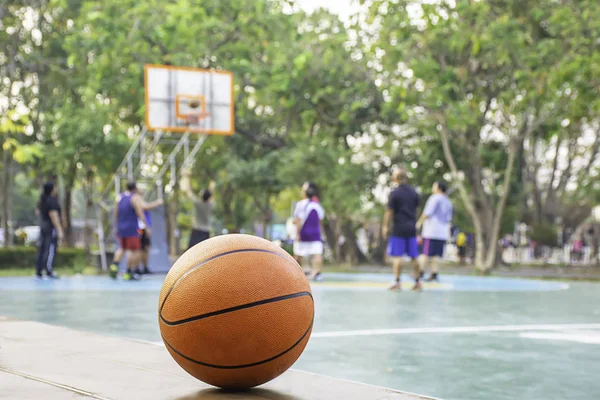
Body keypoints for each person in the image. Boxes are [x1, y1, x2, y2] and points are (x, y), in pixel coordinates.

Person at [382, 167, 421, 291]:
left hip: (399, 228)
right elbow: (417, 210)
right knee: (414, 257)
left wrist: (385, 226)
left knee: (398, 257)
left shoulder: (394, 193)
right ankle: (417, 282)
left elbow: (389, 212)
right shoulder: (414, 193)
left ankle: (397, 282)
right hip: (411, 228)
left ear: (395, 179)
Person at [109, 181, 152, 281]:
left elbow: (115, 213)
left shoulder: (119, 197)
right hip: (132, 227)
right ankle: (128, 272)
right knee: (135, 250)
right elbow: (139, 212)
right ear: (135, 188)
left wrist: (116, 226)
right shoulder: (134, 198)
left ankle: (114, 265)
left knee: (122, 248)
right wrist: (146, 225)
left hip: (121, 227)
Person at [417, 181, 453, 282]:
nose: (433, 187)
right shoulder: (448, 202)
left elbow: (427, 213)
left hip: (431, 231)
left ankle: (420, 272)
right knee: (435, 255)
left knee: (425, 253)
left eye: (434, 186)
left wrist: (419, 223)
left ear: (439, 188)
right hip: (442, 232)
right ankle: (434, 273)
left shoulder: (434, 198)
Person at [293, 182, 325, 281]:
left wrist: (297, 234)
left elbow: (298, 220)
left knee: (298, 254)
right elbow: (320, 220)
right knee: (317, 254)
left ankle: (296, 273)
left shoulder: (300, 204)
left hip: (303, 234)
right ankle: (317, 273)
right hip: (315, 234)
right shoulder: (317, 205)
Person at [35, 182, 63, 279]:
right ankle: (48, 270)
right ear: (51, 189)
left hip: (43, 226)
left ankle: (39, 270)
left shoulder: (42, 200)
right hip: (50, 228)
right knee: (50, 249)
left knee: (42, 248)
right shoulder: (52, 201)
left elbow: (37, 212)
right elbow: (53, 215)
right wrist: (59, 229)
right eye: (55, 187)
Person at [181, 169, 215, 249]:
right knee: (204, 252)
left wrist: (187, 177)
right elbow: (210, 194)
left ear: (201, 195)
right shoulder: (211, 205)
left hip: (196, 231)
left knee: (192, 251)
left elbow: (188, 191)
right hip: (206, 232)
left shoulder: (197, 203)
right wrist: (212, 186)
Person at [137, 192, 163, 275]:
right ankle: (137, 268)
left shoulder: (139, 199)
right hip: (140, 228)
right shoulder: (135, 199)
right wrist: (157, 202)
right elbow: (145, 206)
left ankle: (145, 267)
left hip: (144, 227)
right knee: (140, 249)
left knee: (146, 248)